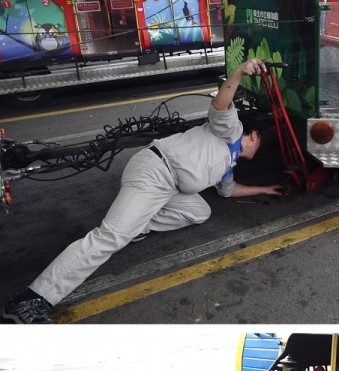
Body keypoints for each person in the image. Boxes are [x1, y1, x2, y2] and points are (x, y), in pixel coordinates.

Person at [1, 58, 283, 324]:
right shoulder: (231, 130)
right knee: (110, 237)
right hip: (154, 172)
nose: (260, 148)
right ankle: (31, 300)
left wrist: (265, 189)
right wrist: (239, 72)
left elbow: (229, 191)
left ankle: (139, 225)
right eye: (262, 141)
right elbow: (221, 105)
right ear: (254, 135)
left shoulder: (228, 167)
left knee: (200, 211)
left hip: (170, 187)